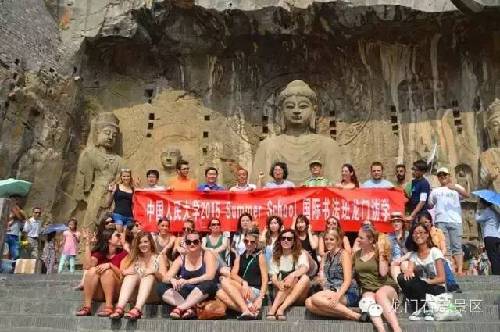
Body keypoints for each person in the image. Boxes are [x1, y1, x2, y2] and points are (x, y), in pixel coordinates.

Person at [305, 228, 364, 321]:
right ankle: (350, 315)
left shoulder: (344, 254)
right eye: (326, 239)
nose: (328, 242)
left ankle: (353, 314)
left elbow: (348, 280)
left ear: (338, 241)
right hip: (330, 290)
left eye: (331, 239)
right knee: (308, 303)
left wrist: (338, 295)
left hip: (347, 292)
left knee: (315, 298)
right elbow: (323, 277)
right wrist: (319, 280)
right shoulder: (325, 256)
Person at [156, 231, 218, 319]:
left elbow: (210, 275)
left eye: (195, 242)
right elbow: (166, 277)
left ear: (200, 242)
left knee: (209, 284)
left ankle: (180, 308)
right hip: (186, 293)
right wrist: (172, 280)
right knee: (160, 287)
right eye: (189, 242)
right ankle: (190, 308)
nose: (192, 244)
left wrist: (188, 281)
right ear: (185, 243)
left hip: (203, 293)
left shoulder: (207, 254)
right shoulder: (181, 258)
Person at [353, 225, 401, 332]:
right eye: (358, 237)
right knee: (368, 300)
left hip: (386, 287)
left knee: (380, 294)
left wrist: (381, 252)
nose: (358, 239)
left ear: (370, 240)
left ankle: (397, 329)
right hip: (368, 289)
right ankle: (381, 330)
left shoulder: (379, 252)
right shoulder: (356, 255)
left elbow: (383, 273)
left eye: (361, 237)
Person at [110, 232, 167, 320]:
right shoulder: (135, 258)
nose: (143, 245)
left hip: (153, 294)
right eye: (140, 243)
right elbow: (122, 273)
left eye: (145, 242)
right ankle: (120, 308)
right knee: (131, 276)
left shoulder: (159, 257)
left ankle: (137, 309)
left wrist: (154, 272)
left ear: (150, 242)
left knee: (149, 276)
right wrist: (126, 272)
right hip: (136, 294)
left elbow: (164, 279)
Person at [398, 223, 446, 320]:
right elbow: (409, 271)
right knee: (402, 278)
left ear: (427, 234)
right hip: (421, 288)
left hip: (435, 287)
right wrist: (408, 272)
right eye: (415, 233)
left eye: (421, 232)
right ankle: (421, 308)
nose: (418, 235)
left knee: (419, 284)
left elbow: (442, 278)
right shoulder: (414, 255)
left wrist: (426, 281)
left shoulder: (435, 252)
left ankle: (425, 308)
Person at [217, 230, 268, 319]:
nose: (248, 244)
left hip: (254, 291)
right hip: (243, 289)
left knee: (224, 280)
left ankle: (245, 309)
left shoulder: (260, 256)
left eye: (252, 242)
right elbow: (233, 274)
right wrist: (244, 283)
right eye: (246, 241)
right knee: (219, 293)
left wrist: (260, 298)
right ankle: (250, 311)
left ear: (256, 242)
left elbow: (265, 279)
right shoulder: (240, 256)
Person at [75, 229, 128, 316]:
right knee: (92, 270)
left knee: (108, 272)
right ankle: (87, 307)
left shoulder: (123, 254)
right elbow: (87, 266)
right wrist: (87, 243)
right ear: (109, 240)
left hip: (115, 291)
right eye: (117, 235)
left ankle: (109, 306)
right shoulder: (99, 253)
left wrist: (110, 265)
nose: (120, 237)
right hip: (98, 293)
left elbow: (122, 275)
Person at [428, 167, 469, 275]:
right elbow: (430, 204)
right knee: (445, 246)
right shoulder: (435, 190)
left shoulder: (456, 187)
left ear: (449, 176)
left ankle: (459, 270)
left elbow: (467, 195)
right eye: (440, 176)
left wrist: (455, 187)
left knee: (457, 245)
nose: (442, 177)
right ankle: (450, 269)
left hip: (455, 220)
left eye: (445, 175)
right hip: (441, 220)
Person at [267, 230, 310, 321]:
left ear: (294, 241)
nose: (286, 240)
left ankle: (278, 309)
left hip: (298, 294)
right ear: (279, 241)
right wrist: (278, 283)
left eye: (289, 239)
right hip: (280, 291)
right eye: (283, 238)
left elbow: (304, 268)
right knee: (287, 282)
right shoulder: (275, 257)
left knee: (305, 278)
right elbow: (273, 277)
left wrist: (292, 276)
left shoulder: (300, 254)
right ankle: (277, 310)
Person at [476, 198, 500, 275]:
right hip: (497, 236)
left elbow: (478, 219)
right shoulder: (495, 212)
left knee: (492, 256)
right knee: (497, 255)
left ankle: (496, 273)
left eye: (480, 203)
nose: (479, 204)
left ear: (484, 203)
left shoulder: (487, 211)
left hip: (489, 236)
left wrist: (477, 211)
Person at [405, 160, 431, 224]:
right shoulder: (413, 182)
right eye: (413, 169)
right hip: (413, 212)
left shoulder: (424, 183)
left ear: (422, 171)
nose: (414, 172)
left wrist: (413, 214)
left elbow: (422, 201)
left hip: (421, 214)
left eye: (416, 170)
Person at [386, 212, 408, 281]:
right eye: (394, 222)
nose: (396, 224)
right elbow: (387, 254)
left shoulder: (408, 235)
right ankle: (402, 289)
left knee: (405, 265)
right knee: (394, 268)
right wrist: (391, 261)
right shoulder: (388, 237)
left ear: (402, 223)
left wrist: (400, 260)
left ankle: (412, 287)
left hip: (406, 260)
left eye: (398, 221)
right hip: (393, 263)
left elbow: (411, 252)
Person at [6, 195, 26, 261]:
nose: (13, 201)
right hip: (5, 234)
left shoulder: (20, 211)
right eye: (11, 200)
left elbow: (22, 218)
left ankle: (12, 267)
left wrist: (16, 212)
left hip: (15, 235)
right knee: (5, 254)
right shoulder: (6, 209)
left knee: (16, 254)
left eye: (15, 200)